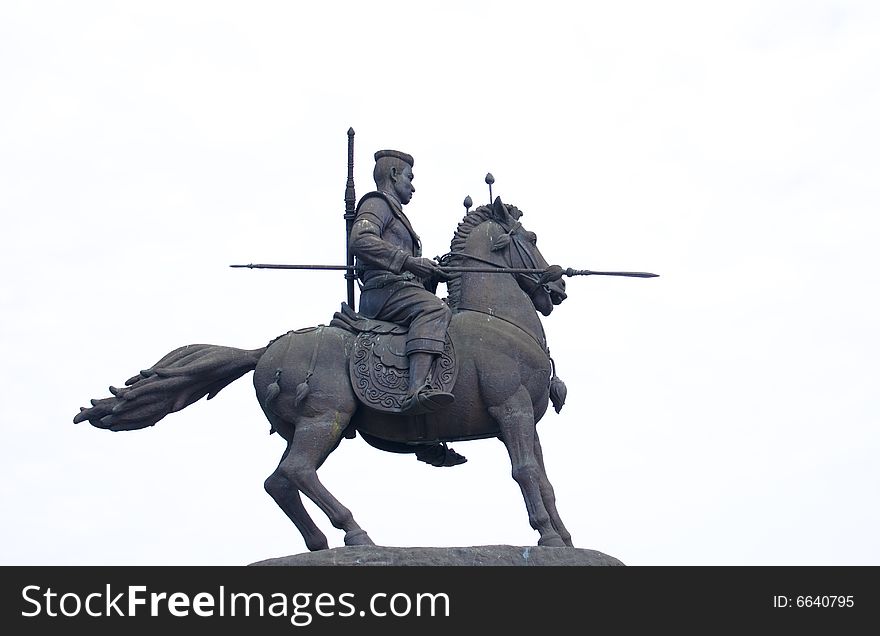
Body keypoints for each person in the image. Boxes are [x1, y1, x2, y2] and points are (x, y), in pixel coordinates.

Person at [349, 149, 454, 416]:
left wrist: (430, 273)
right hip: (383, 292)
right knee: (434, 310)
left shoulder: (394, 211)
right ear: (395, 175)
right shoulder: (377, 203)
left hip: (398, 289)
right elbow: (360, 240)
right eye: (410, 177)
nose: (413, 186)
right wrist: (408, 261)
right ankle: (415, 392)